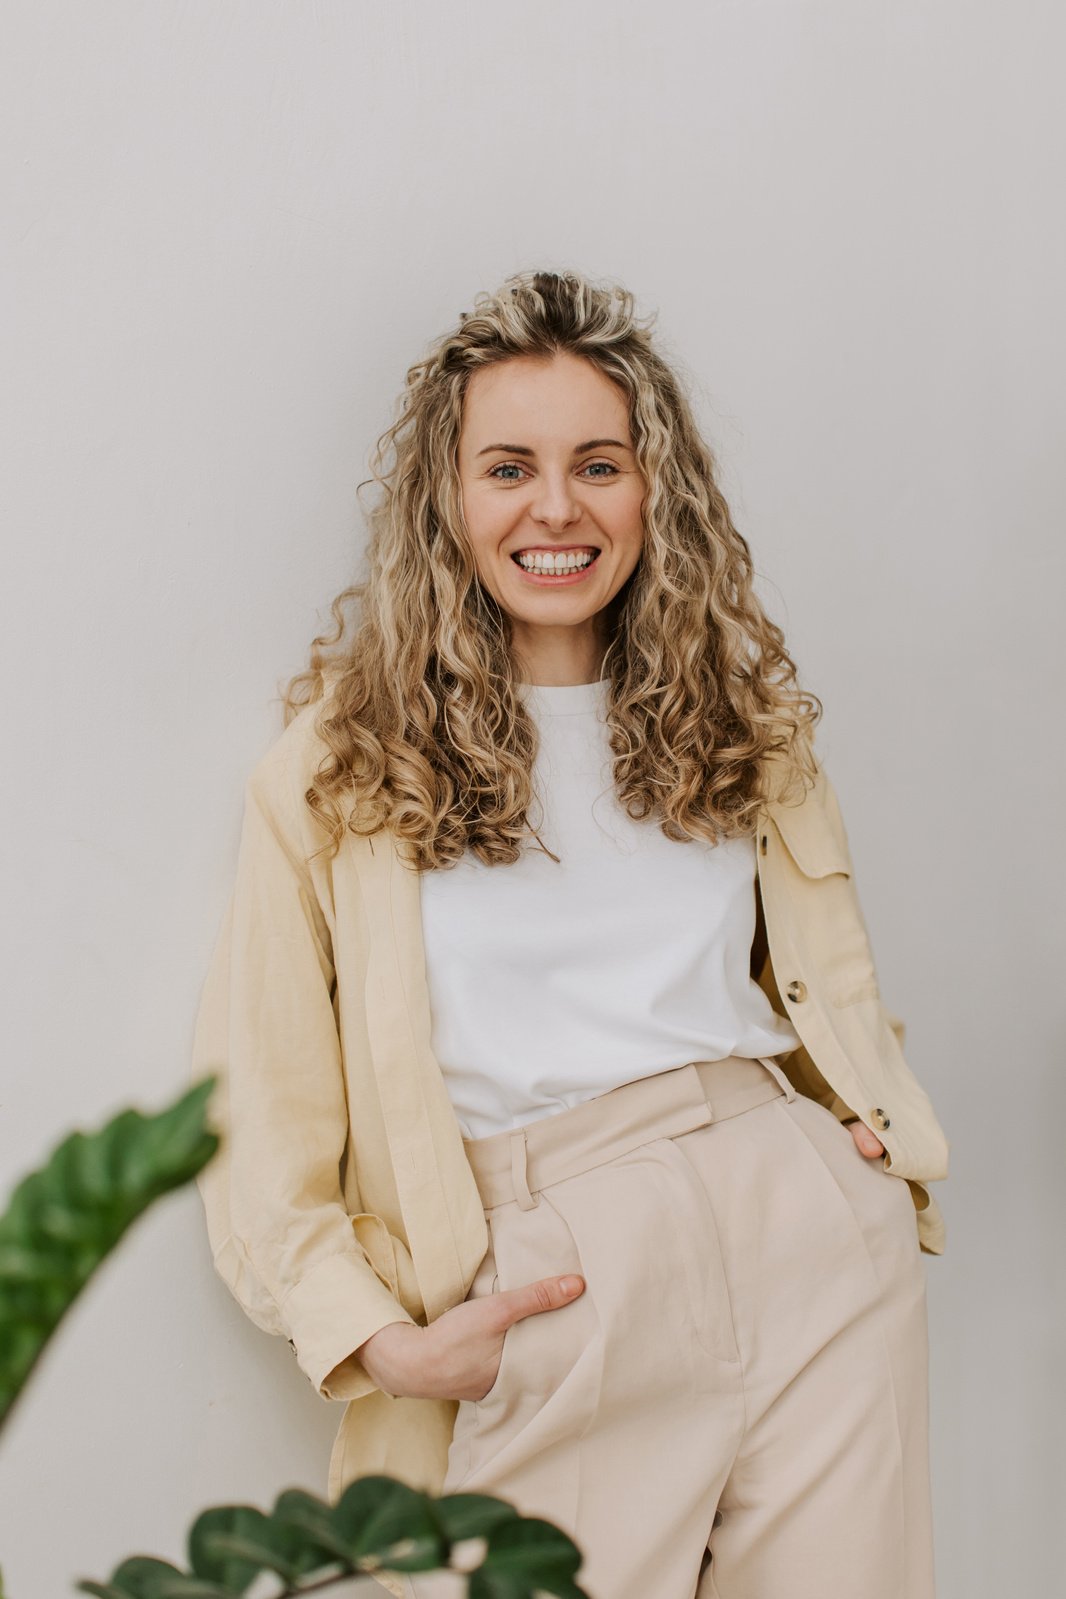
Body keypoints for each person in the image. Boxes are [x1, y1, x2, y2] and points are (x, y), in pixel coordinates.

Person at [192, 269, 950, 1599]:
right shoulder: (338, 773)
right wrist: (375, 1340)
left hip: (808, 1247)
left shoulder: (744, 731)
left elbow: (813, 988)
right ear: (448, 500)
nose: (557, 508)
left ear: (657, 491)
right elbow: (257, 1113)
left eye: (599, 464)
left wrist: (863, 1162)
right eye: (509, 468)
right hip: (548, 1278)